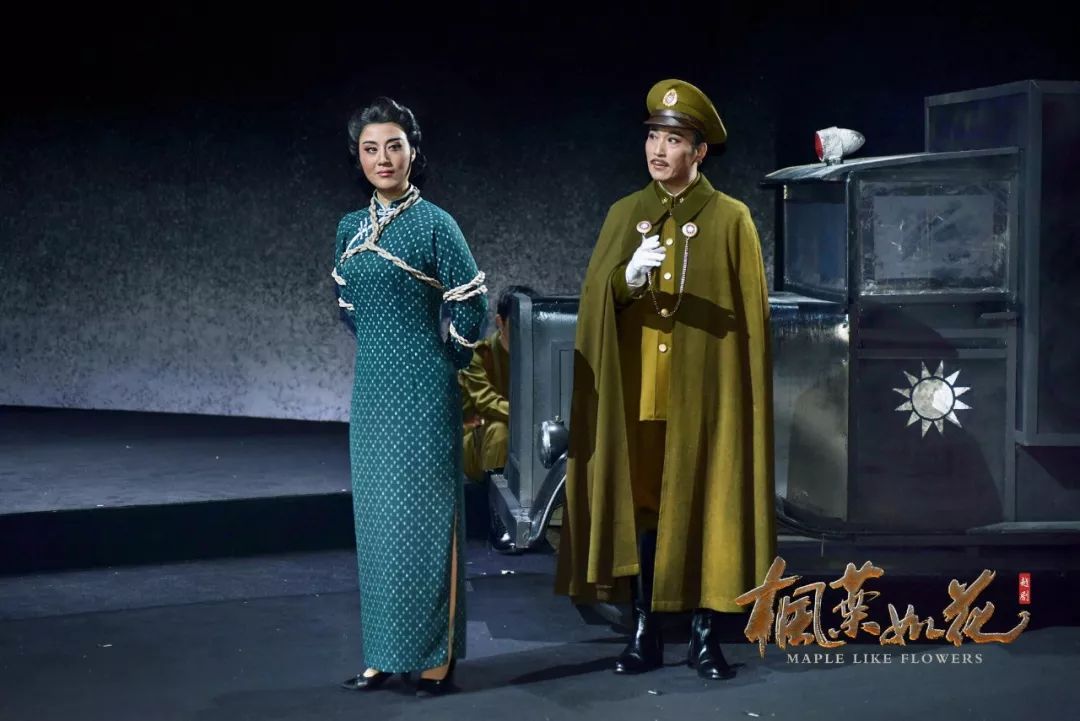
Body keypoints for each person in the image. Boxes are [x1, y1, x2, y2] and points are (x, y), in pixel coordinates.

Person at [554, 79, 776, 680]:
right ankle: (645, 629)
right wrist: (626, 278)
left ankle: (705, 636)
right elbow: (597, 299)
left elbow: (751, 324)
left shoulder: (730, 219)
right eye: (653, 136)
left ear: (699, 151)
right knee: (645, 509)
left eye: (673, 140)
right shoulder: (624, 214)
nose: (658, 149)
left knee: (707, 504)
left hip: (705, 398)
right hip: (641, 394)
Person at [332, 96, 487, 696]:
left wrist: (447, 360)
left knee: (424, 526)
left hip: (424, 396)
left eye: (393, 146)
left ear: (412, 152)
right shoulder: (348, 228)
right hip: (372, 394)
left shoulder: (436, 224)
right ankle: (383, 653)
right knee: (377, 527)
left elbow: (471, 307)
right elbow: (348, 309)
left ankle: (434, 658)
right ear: (358, 158)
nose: (383, 159)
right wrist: (383, 348)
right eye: (371, 149)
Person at [459, 284, 536, 483]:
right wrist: (532, 416)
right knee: (499, 431)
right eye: (518, 324)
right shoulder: (478, 356)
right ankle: (494, 497)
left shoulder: (537, 358)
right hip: (477, 443)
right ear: (500, 323)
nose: (525, 331)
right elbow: (486, 402)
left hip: (523, 438)